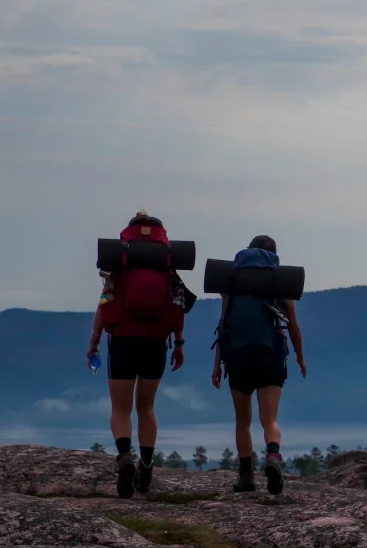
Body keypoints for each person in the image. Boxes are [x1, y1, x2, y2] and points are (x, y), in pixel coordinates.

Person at [88, 211, 190, 498]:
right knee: (146, 407)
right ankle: (145, 468)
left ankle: (124, 457)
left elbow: (104, 304)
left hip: (121, 340)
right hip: (156, 342)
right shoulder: (167, 264)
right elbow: (178, 307)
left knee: (120, 409)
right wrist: (179, 344)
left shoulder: (120, 261)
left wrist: (94, 342)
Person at [211, 235, 306, 494]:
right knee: (270, 419)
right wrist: (299, 357)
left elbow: (223, 325)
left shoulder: (233, 282)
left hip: (238, 357)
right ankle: (273, 457)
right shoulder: (280, 282)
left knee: (243, 421)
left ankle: (246, 477)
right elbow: (294, 330)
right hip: (271, 357)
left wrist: (217, 363)